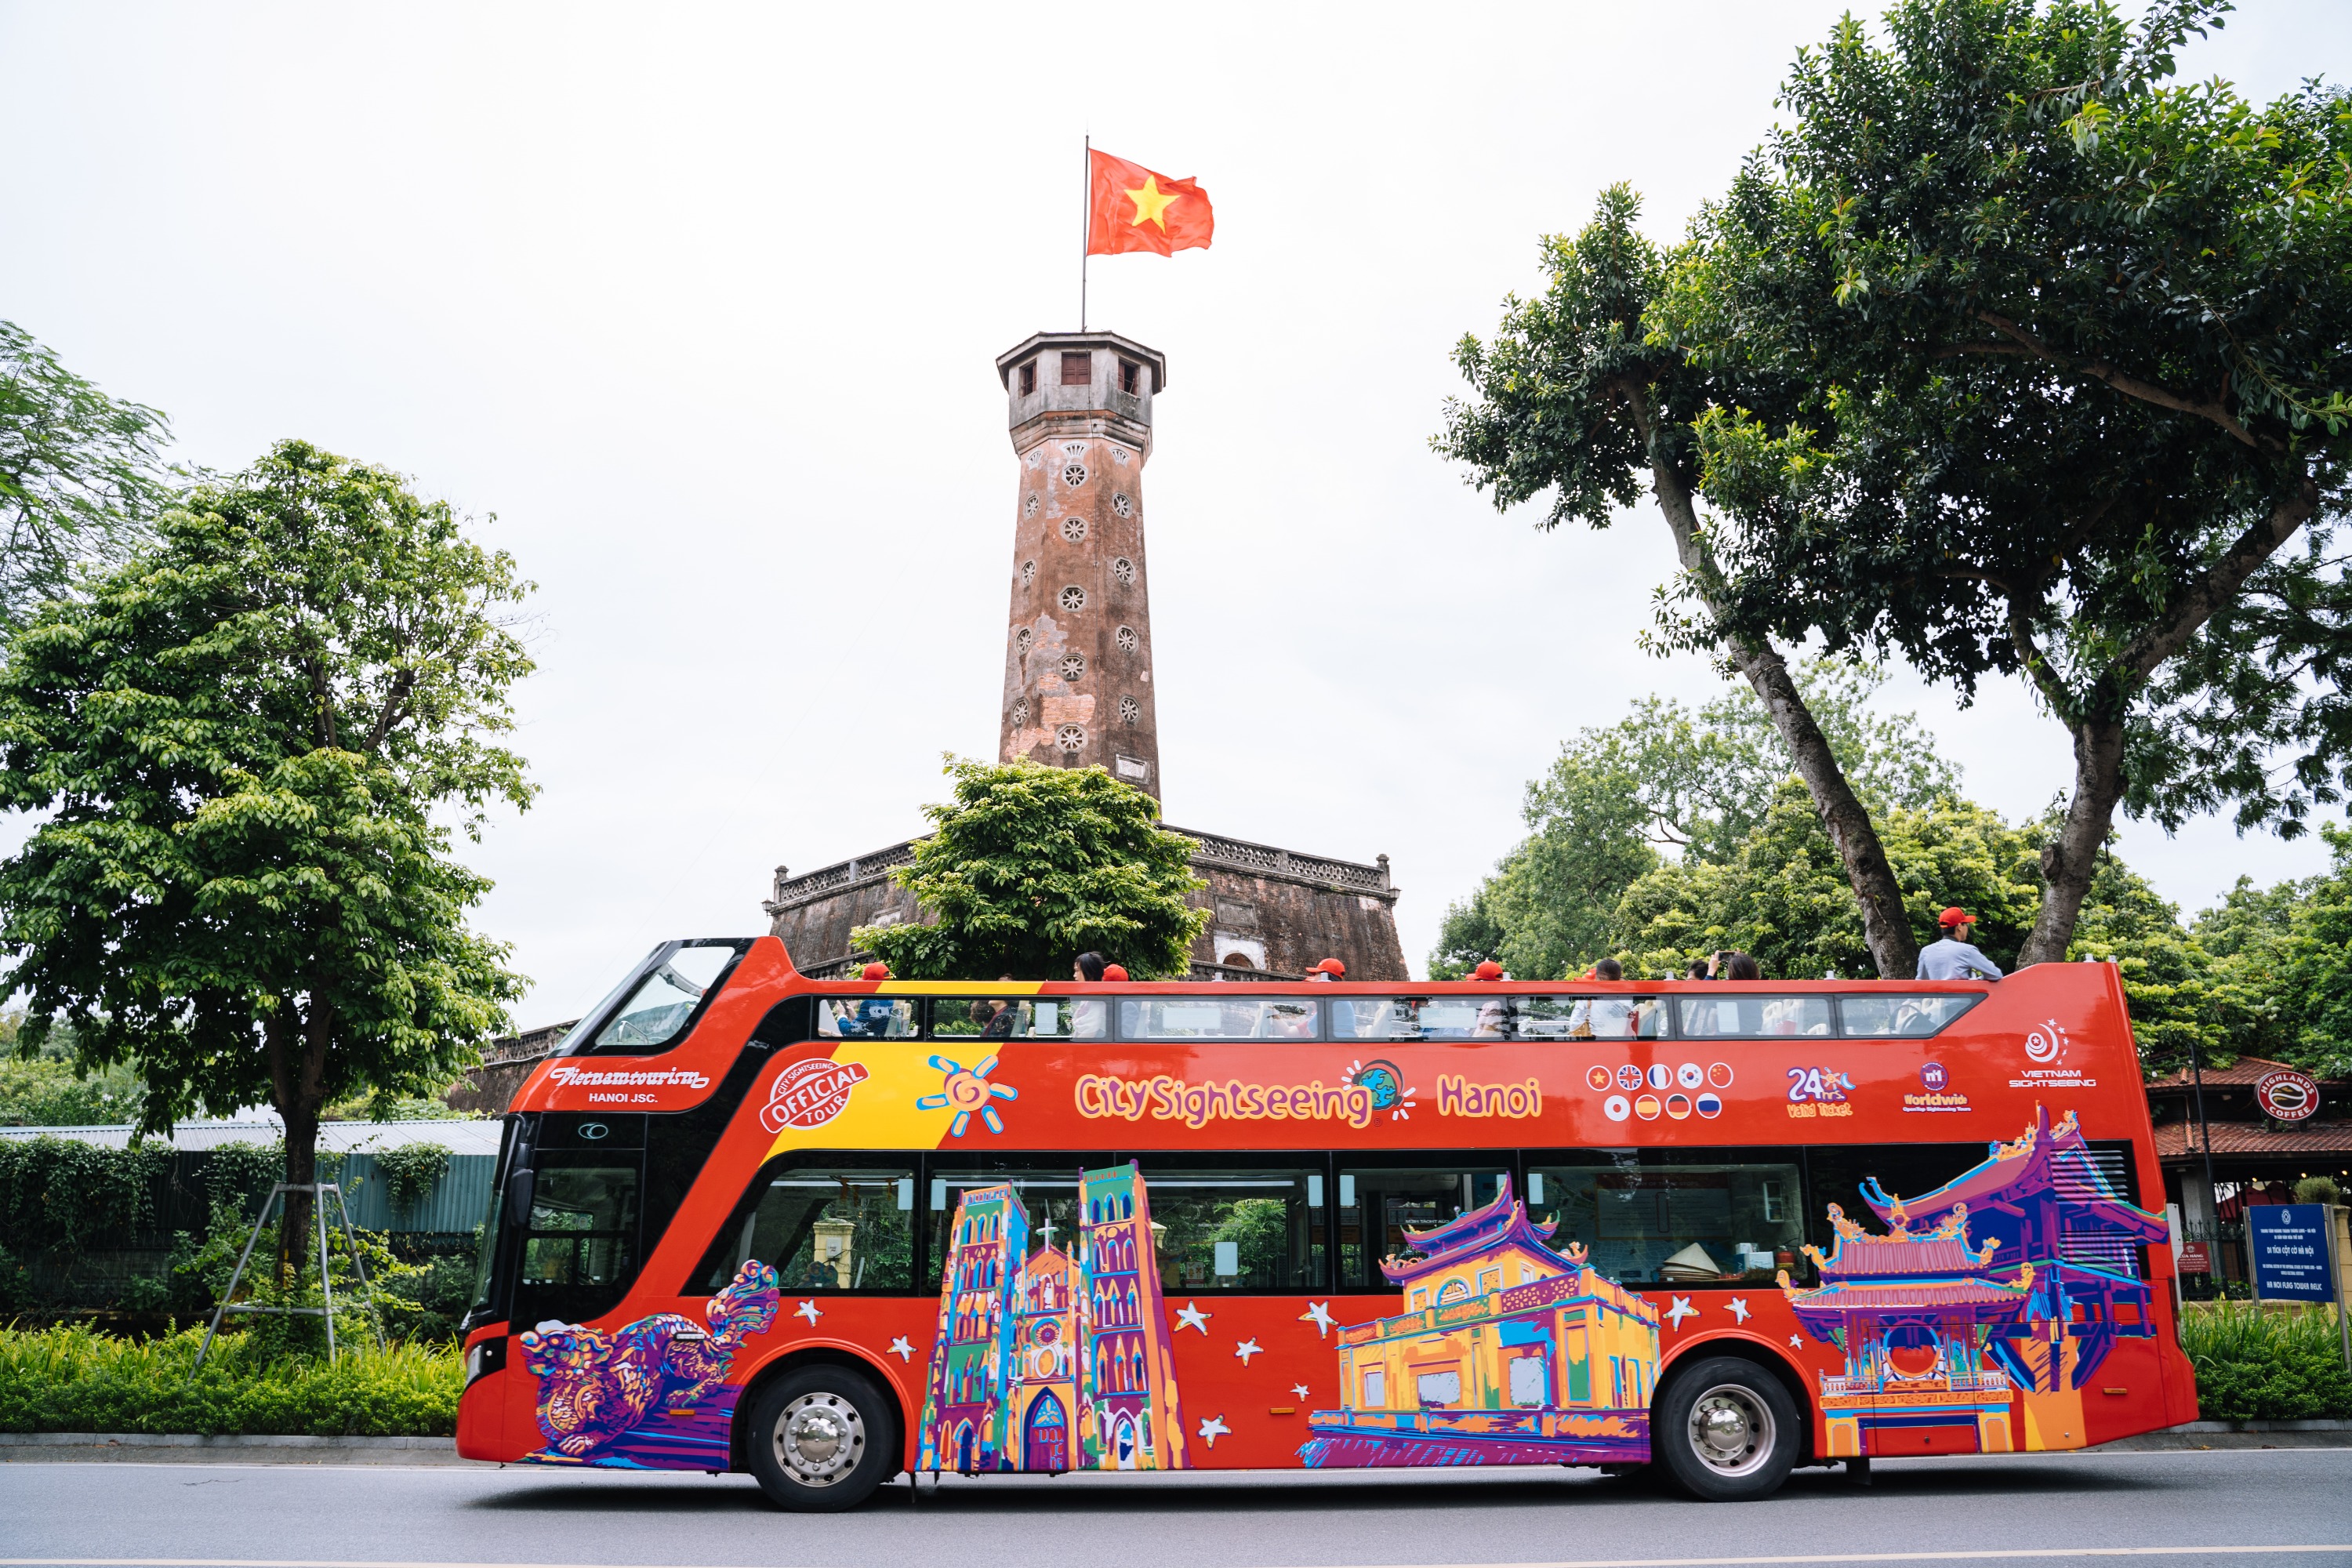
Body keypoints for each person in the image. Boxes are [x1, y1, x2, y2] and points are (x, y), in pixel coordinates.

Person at [1918, 907, 2004, 981]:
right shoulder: (1967, 951)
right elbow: (1996, 975)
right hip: (1964, 1000)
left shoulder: (1925, 951)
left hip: (1936, 1000)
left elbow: (1920, 984)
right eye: (1966, 925)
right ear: (1959, 927)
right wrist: (1976, 980)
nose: (1967, 928)